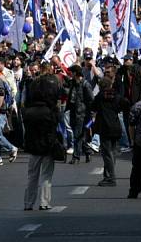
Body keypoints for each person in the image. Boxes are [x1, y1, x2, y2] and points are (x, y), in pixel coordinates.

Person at [23, 62, 62, 211]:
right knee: (46, 175)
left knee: (32, 176)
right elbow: (53, 127)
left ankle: (28, 203)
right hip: (47, 144)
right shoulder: (50, 112)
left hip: (33, 145)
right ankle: (44, 202)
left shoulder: (28, 112)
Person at [92, 77, 131, 187]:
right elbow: (126, 103)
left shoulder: (99, 97)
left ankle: (111, 177)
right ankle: (108, 175)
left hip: (105, 127)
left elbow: (93, 107)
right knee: (112, 152)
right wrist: (119, 110)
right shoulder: (116, 96)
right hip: (115, 125)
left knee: (107, 153)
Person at [66, 65, 94, 164]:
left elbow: (91, 100)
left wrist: (90, 115)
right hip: (73, 112)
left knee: (78, 135)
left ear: (76, 73)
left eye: (72, 72)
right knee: (79, 135)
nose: (70, 74)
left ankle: (76, 157)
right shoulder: (72, 83)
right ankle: (87, 151)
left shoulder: (85, 84)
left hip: (82, 114)